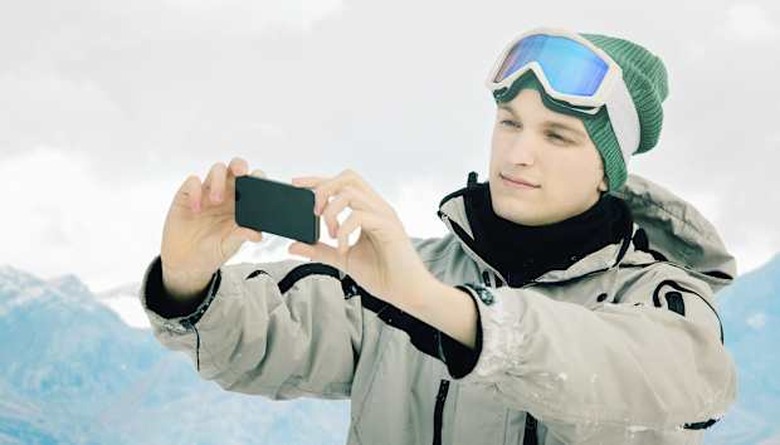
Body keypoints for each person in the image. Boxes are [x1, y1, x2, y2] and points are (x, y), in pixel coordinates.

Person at [139, 27, 738, 444]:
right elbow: (263, 338)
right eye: (509, 123)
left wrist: (431, 302)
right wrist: (188, 279)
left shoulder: (663, 300)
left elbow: (662, 387)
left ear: (609, 170)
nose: (519, 153)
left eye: (557, 136)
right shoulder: (400, 271)